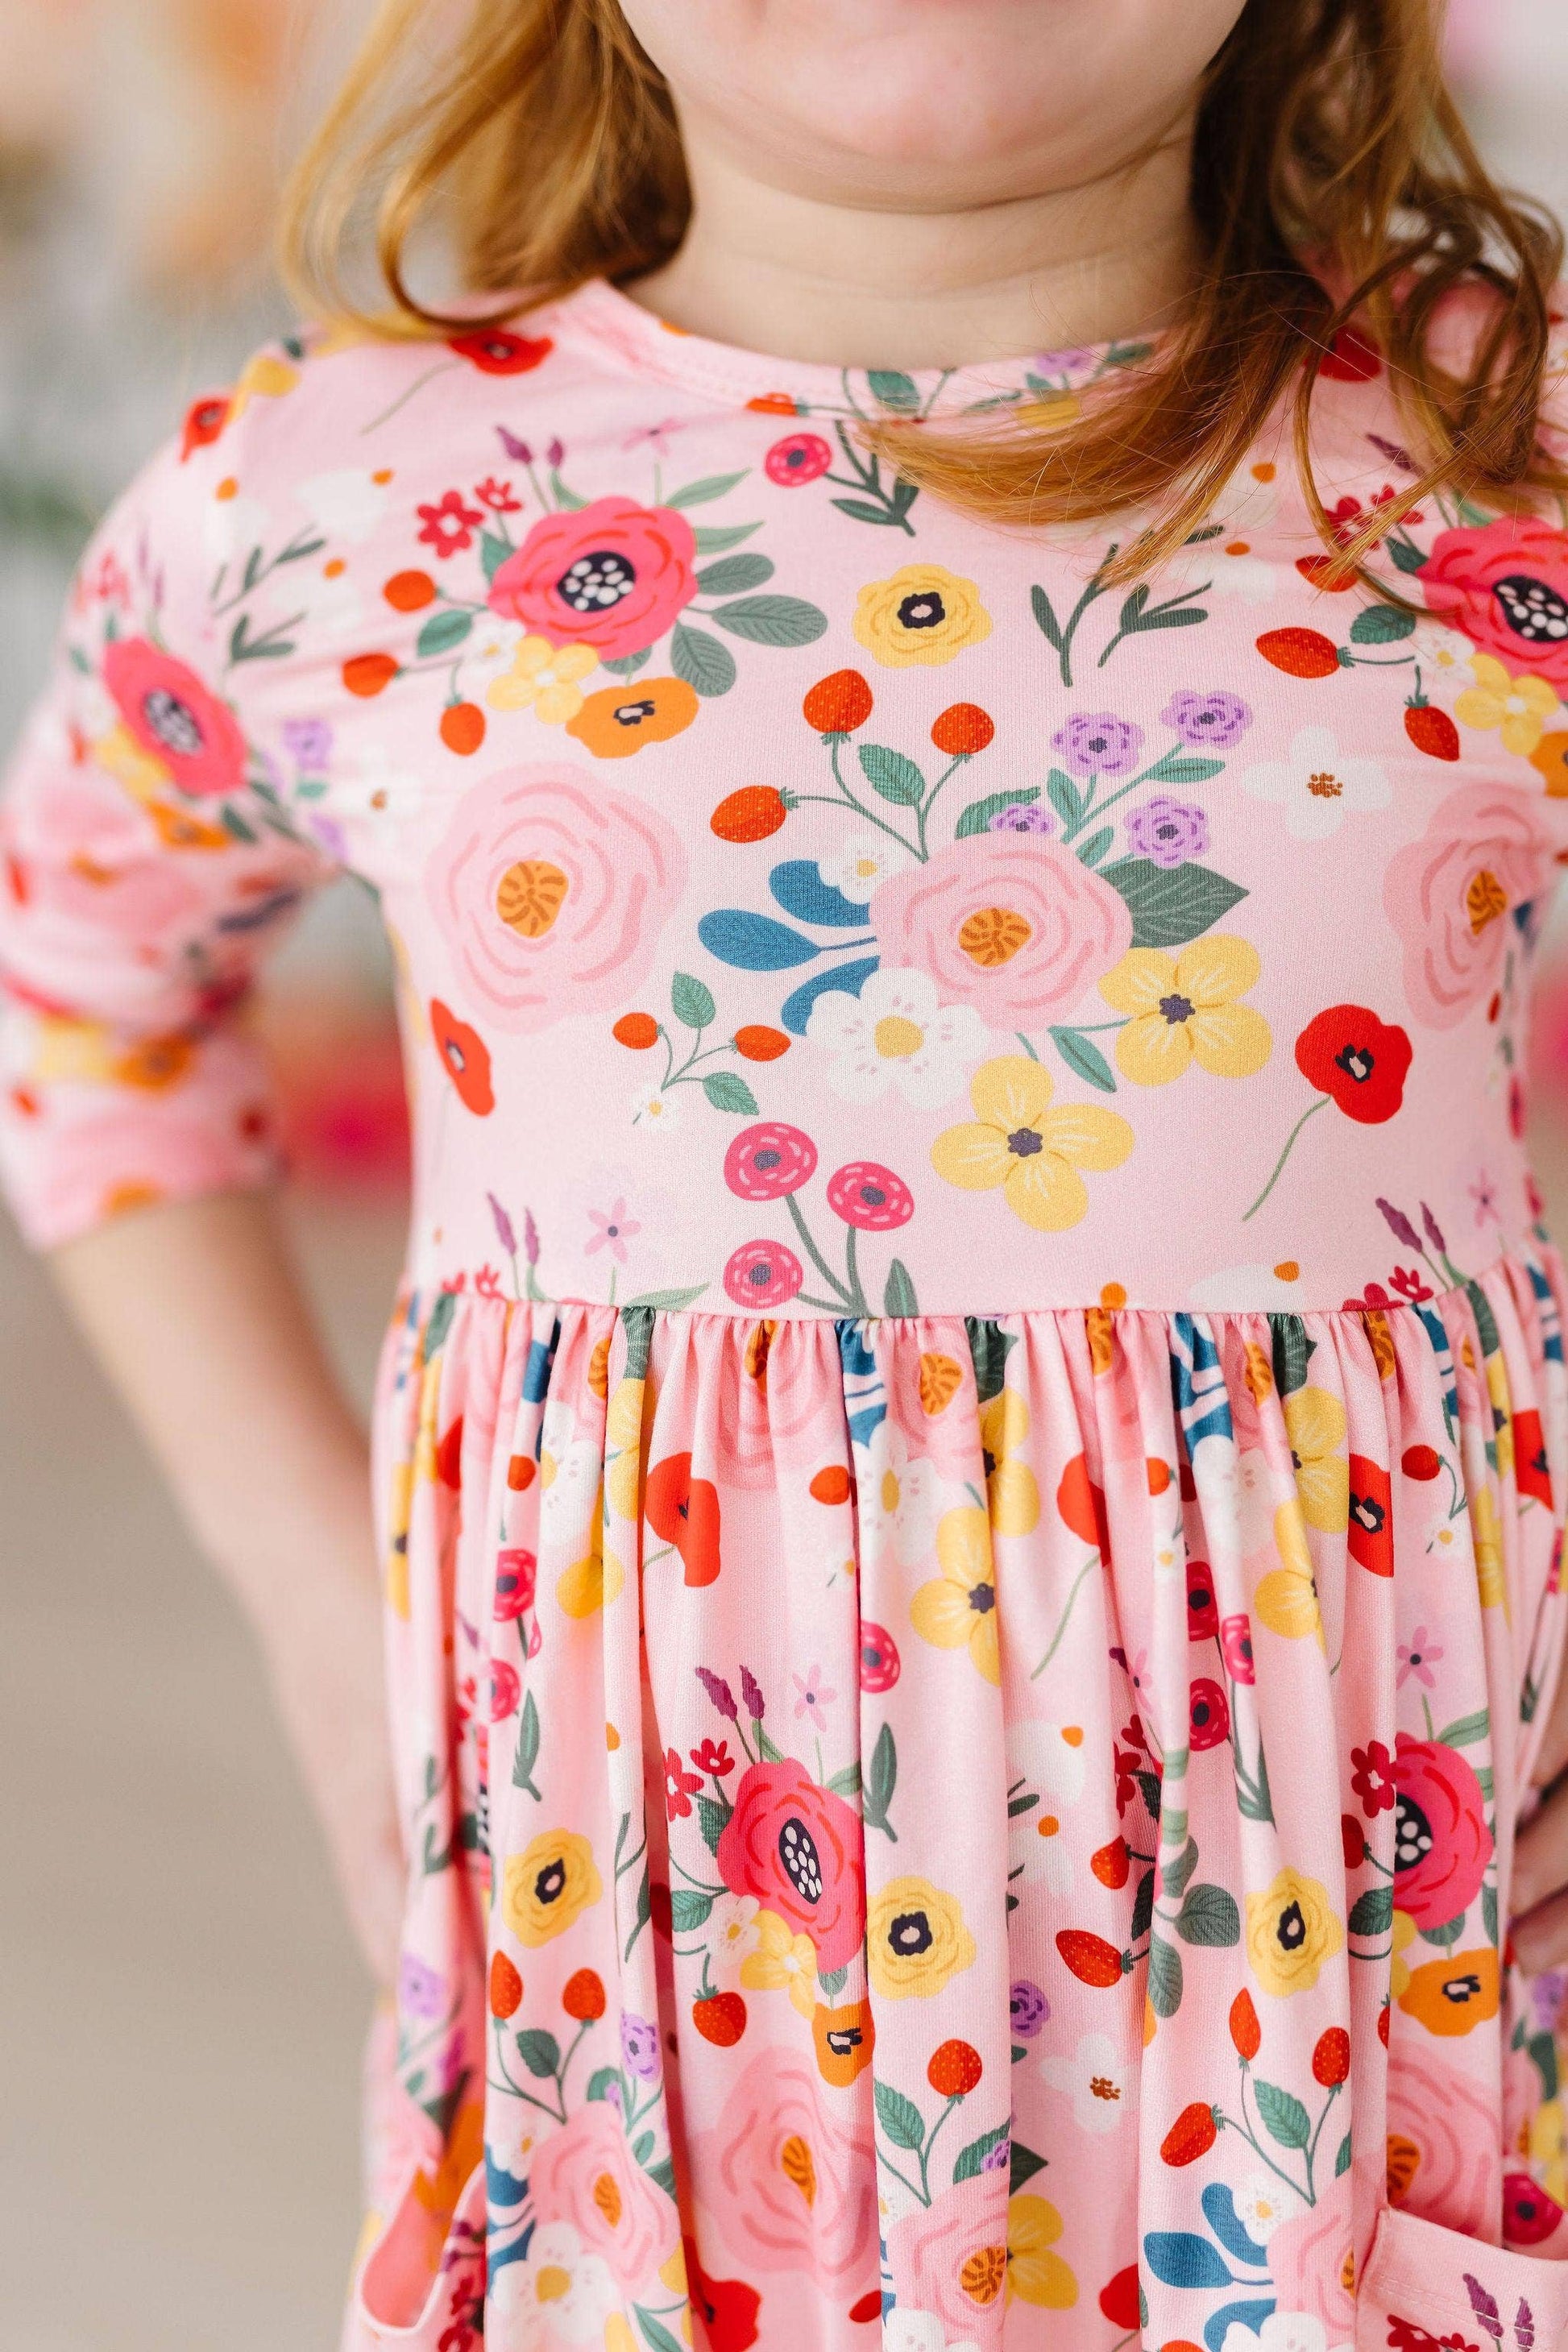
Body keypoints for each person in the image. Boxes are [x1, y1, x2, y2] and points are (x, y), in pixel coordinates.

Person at [7, 0, 1568, 2342]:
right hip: (657, 2042)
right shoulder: (335, 503)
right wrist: (313, 1591)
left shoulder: (1501, 456)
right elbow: (84, 987)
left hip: (1361, 2025)